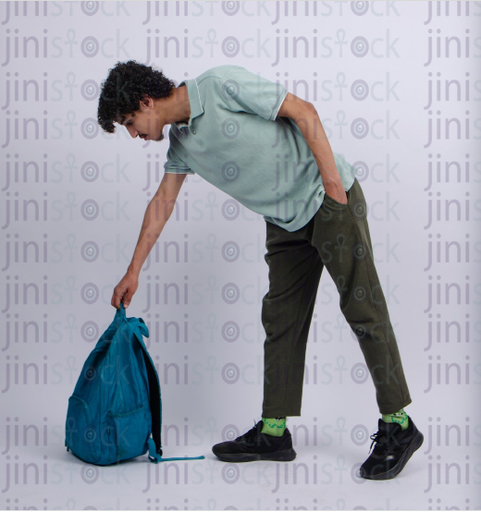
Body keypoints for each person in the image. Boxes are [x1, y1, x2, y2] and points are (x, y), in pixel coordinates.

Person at [97, 60, 423, 480]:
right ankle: (274, 433)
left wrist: (333, 188)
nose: (134, 134)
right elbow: (162, 204)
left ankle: (399, 425)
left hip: (326, 199)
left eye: (129, 122)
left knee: (363, 309)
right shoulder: (180, 143)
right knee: (281, 321)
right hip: (285, 223)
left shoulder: (217, 87)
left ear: (146, 100)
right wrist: (132, 271)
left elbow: (303, 111)